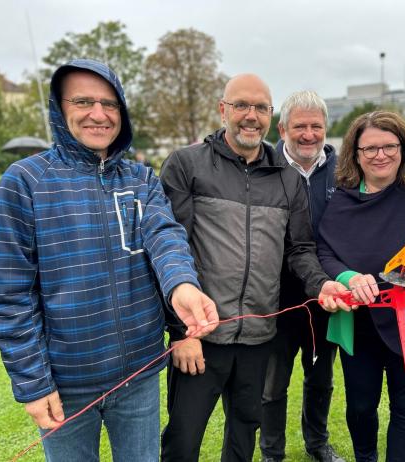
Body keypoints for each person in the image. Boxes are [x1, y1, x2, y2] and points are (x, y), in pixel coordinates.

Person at [0, 58, 218, 462]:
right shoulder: (24, 183)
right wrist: (34, 384)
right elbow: (7, 296)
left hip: (138, 375)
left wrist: (182, 285)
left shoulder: (141, 179)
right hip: (65, 383)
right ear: (59, 109)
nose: (99, 114)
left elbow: (165, 237)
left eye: (110, 104)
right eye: (83, 102)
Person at [159, 74, 349, 462]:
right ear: (223, 109)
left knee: (244, 441)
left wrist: (322, 285)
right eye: (242, 105)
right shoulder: (186, 165)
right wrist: (181, 333)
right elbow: (169, 251)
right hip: (202, 336)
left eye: (261, 107)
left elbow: (299, 249)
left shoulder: (286, 177)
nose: (251, 116)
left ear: (270, 116)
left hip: (259, 337)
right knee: (182, 441)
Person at [317, 111, 405, 462]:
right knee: (361, 406)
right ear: (355, 153)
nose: (381, 155)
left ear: (403, 148)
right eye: (370, 149)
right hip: (360, 323)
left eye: (389, 146)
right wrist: (348, 279)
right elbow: (325, 252)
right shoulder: (342, 201)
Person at [259, 91, 343, 462]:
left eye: (316, 126)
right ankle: (271, 453)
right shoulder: (264, 168)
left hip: (327, 297)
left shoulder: (344, 172)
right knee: (272, 386)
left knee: (320, 380)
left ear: (326, 128)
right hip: (275, 300)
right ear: (282, 128)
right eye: (300, 126)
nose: (308, 134)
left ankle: (317, 444)